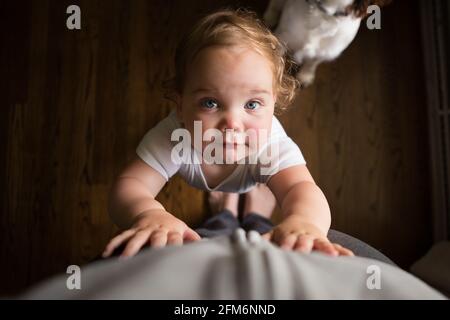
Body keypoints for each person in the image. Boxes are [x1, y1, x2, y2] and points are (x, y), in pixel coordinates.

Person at [102, 8, 354, 259]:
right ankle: (248, 210)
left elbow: (301, 188)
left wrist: (306, 221)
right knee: (264, 191)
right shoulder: (175, 136)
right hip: (245, 167)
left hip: (259, 164)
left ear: (273, 104)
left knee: (282, 181)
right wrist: (148, 213)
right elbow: (131, 186)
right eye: (210, 103)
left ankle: (230, 209)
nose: (233, 124)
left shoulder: (270, 145)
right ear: (180, 107)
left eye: (252, 104)